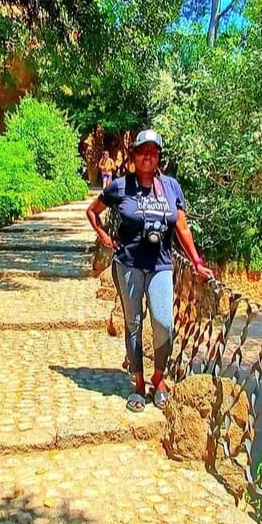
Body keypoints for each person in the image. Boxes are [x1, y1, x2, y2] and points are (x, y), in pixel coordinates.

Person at [87, 129, 213, 412]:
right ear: (133, 155)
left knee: (163, 324)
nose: (148, 155)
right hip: (128, 265)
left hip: (161, 266)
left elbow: (182, 227)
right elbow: (92, 212)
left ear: (159, 158)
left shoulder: (170, 187)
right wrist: (104, 237)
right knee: (133, 324)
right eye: (143, 150)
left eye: (153, 151)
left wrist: (197, 262)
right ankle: (139, 383)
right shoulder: (120, 186)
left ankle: (159, 378)